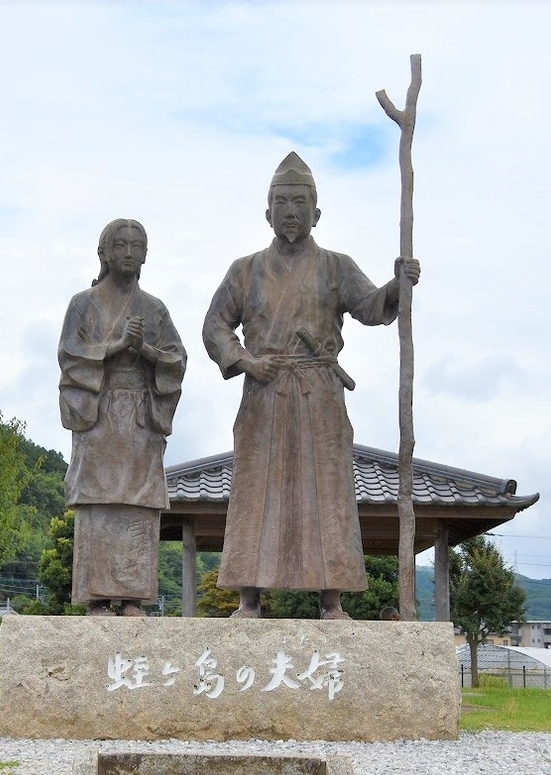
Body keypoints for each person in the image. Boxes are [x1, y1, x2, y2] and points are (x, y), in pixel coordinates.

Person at [203, 152, 419, 620]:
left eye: (300, 202)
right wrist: (244, 360)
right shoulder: (245, 269)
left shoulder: (336, 266)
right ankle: (249, 596)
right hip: (265, 393)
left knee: (329, 491)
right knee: (255, 490)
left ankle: (332, 598)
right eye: (281, 203)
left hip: (320, 393)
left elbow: (371, 306)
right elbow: (215, 326)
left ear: (316, 212)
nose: (291, 212)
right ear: (267, 213)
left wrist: (398, 285)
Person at [59, 218, 186, 616]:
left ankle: (133, 596)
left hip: (139, 419)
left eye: (136, 246)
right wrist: (113, 347)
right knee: (99, 498)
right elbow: (69, 356)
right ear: (104, 253)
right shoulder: (83, 303)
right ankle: (98, 597)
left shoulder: (155, 308)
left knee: (138, 501)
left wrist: (146, 351)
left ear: (146, 254)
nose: (129, 253)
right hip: (99, 416)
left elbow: (177, 359)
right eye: (121, 246)